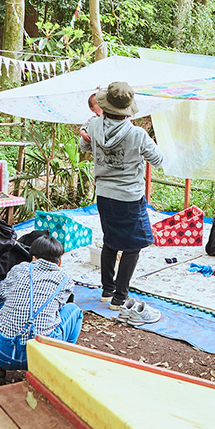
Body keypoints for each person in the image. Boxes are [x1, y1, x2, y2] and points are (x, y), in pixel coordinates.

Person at [79, 82, 164, 317]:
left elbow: (83, 144)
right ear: (128, 110)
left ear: (105, 106)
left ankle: (107, 290)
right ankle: (120, 297)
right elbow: (157, 159)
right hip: (129, 196)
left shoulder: (94, 125)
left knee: (110, 241)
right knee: (132, 246)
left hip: (104, 194)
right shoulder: (137, 134)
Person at [0, 235, 82, 385]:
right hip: (41, 357)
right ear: (60, 262)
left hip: (1, 352)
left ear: (33, 257)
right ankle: (60, 364)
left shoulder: (19, 269)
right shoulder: (66, 280)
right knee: (74, 310)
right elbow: (58, 309)